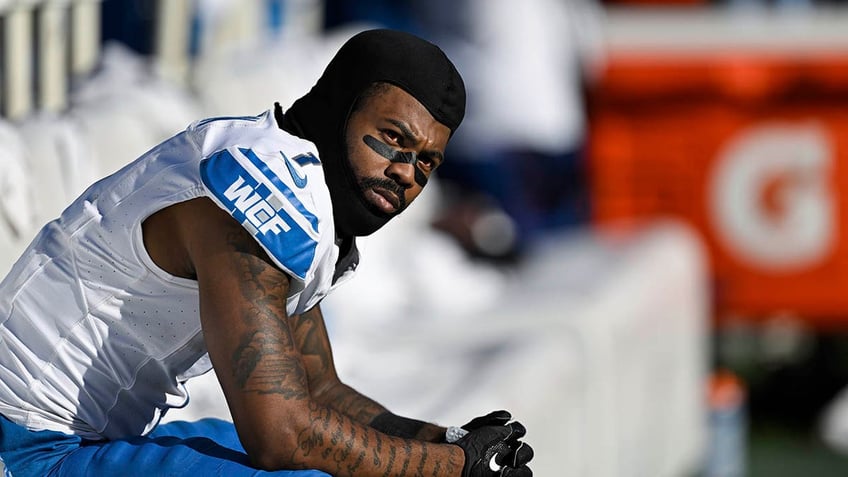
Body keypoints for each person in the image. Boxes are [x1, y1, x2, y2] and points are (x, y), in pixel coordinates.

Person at [0, 29, 533, 476]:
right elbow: (280, 436)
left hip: (67, 438)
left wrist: (453, 440)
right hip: (27, 450)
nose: (405, 173)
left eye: (426, 162)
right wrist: (451, 468)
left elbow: (319, 389)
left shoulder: (292, 173)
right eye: (392, 139)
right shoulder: (266, 188)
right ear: (339, 107)